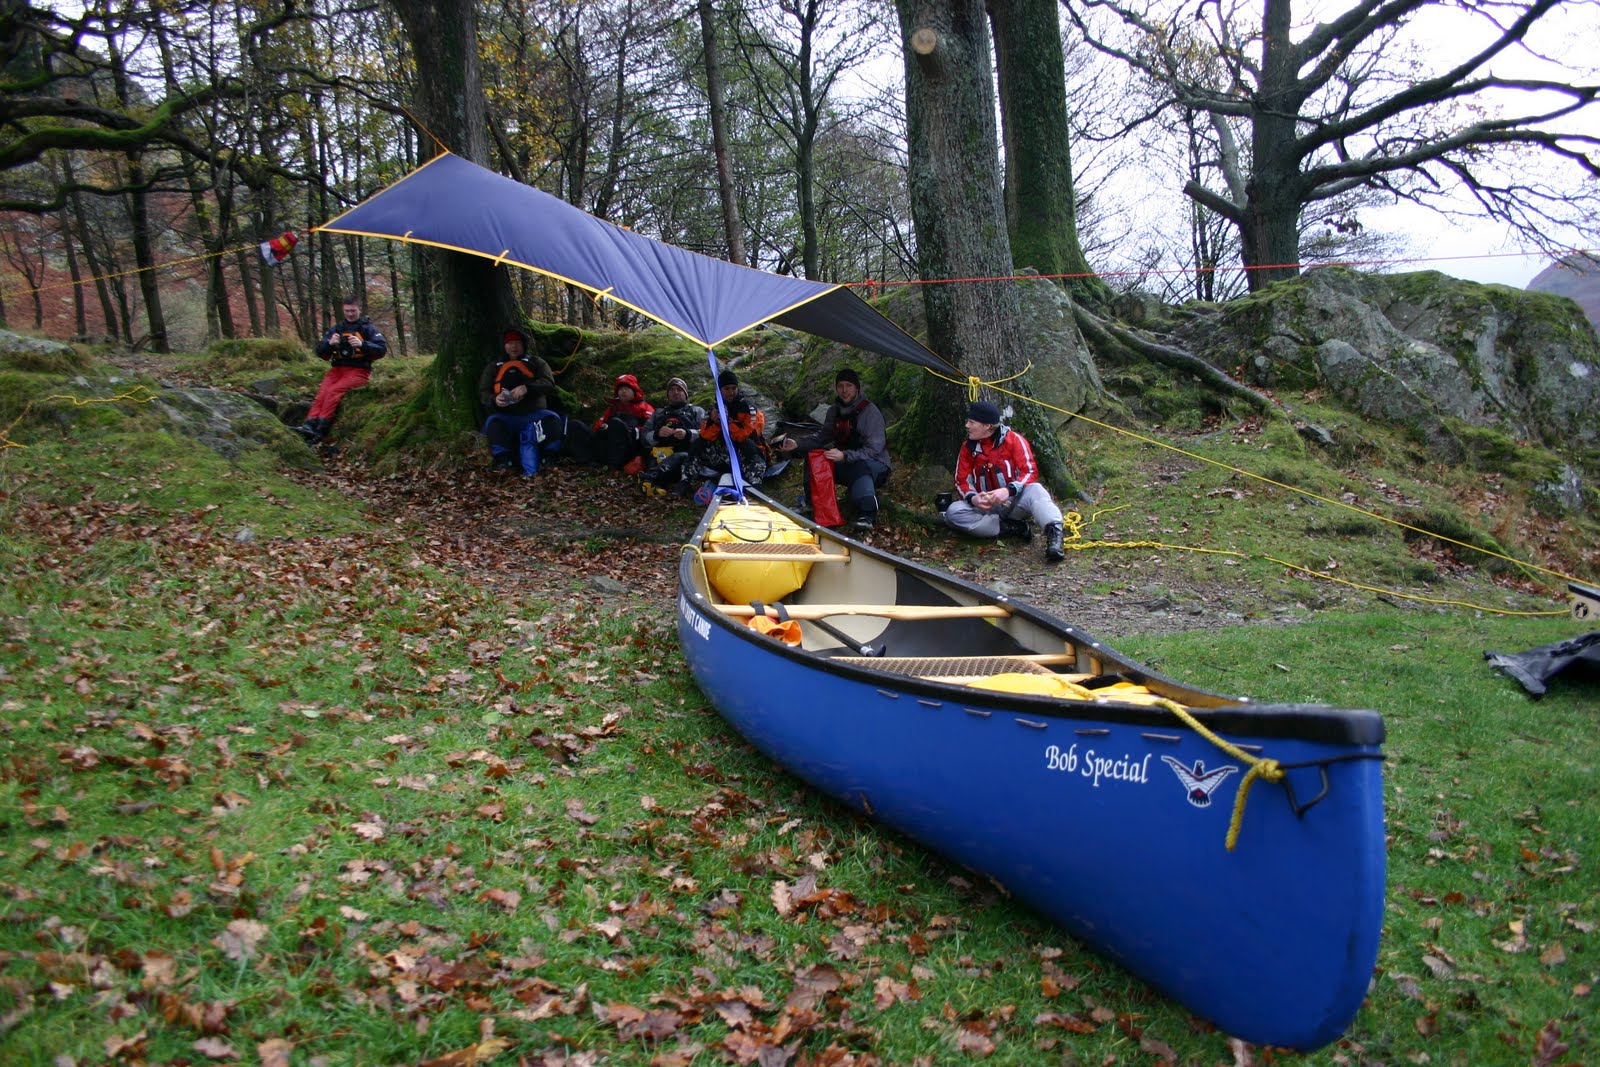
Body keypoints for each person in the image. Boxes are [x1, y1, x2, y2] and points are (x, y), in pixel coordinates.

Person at [942, 399, 1066, 562]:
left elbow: (1030, 471)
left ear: (987, 426)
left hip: (1014, 502)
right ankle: (1012, 528)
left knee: (1036, 490)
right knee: (953, 512)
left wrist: (1008, 490)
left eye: (972, 422)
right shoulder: (968, 448)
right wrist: (973, 498)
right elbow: (961, 480)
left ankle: (1055, 537)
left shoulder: (1014, 440)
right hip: (985, 508)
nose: (967, 426)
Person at [777, 368, 890, 530]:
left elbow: (874, 450)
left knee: (859, 467)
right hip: (845, 461)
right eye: (840, 386)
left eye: (849, 386)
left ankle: (867, 515)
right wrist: (797, 444)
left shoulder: (870, 412)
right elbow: (821, 437)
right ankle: (811, 503)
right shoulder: (834, 411)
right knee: (815, 457)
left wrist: (844, 455)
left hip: (876, 465)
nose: (844, 390)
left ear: (857, 388)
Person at [294, 296, 388, 444]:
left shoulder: (368, 329)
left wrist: (362, 345)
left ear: (359, 310)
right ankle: (309, 425)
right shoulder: (337, 329)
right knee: (323, 392)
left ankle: (320, 429)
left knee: (333, 392)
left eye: (353, 311)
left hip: (359, 370)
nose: (350, 314)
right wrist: (330, 344)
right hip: (337, 369)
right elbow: (320, 352)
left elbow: (381, 350)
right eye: (347, 311)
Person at [478, 327, 560, 474]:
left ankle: (549, 458)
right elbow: (484, 392)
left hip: (535, 415)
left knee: (553, 419)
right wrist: (494, 400)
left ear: (524, 344)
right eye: (510, 343)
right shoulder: (494, 367)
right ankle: (504, 461)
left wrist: (527, 388)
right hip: (506, 416)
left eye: (517, 342)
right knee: (493, 423)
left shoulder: (536, 363)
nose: (514, 346)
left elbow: (549, 383)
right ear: (504, 345)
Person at [685, 369, 768, 490]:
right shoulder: (715, 409)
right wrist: (715, 422)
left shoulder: (748, 408)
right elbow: (705, 435)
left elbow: (744, 435)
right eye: (727, 389)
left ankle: (755, 485)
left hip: (751, 457)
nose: (731, 392)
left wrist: (726, 423)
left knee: (747, 444)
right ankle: (685, 481)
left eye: (734, 388)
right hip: (726, 457)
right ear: (720, 390)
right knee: (698, 444)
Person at [641, 376, 706, 494]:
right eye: (672, 390)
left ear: (686, 394)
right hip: (659, 456)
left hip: (686, 460)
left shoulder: (697, 411)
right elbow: (644, 437)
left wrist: (688, 434)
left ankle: (650, 477)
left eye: (679, 389)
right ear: (667, 395)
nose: (675, 392)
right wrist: (657, 434)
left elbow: (707, 434)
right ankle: (657, 484)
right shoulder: (658, 413)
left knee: (682, 456)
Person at [593, 373, 655, 469]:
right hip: (609, 445)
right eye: (621, 389)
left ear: (634, 391)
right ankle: (588, 460)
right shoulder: (613, 408)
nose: (623, 391)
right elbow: (598, 424)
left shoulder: (645, 407)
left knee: (616, 423)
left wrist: (634, 431)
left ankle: (614, 464)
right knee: (577, 425)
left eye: (627, 389)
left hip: (632, 447)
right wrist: (602, 427)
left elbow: (651, 429)